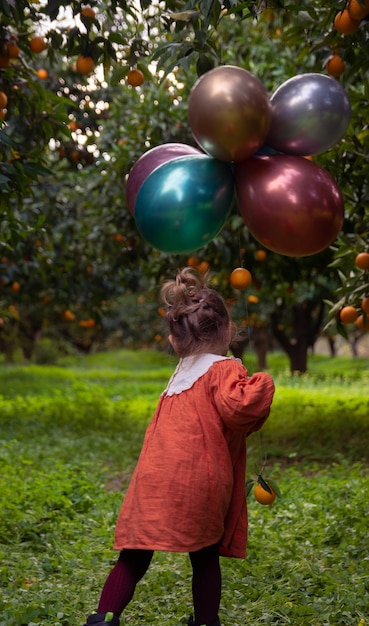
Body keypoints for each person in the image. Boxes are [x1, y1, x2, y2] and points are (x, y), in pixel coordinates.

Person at [83, 267, 275, 626]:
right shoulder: (223, 369)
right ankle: (205, 622)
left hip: (151, 483)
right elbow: (240, 409)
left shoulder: (180, 372)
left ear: (174, 341)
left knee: (134, 555)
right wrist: (262, 382)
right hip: (197, 483)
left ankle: (104, 618)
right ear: (228, 330)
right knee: (204, 557)